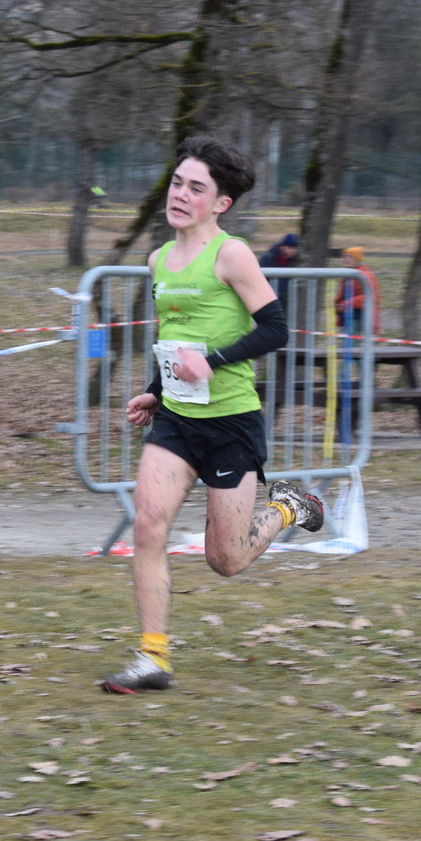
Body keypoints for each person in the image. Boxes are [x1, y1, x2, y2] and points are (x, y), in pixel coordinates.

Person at [103, 135, 323, 694]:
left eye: (195, 188)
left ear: (220, 203)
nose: (180, 194)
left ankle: (289, 506)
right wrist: (156, 390)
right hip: (177, 421)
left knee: (225, 559)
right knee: (148, 523)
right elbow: (175, 335)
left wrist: (215, 362)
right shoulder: (158, 259)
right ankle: (152, 658)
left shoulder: (232, 255)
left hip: (230, 423)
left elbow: (276, 329)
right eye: (177, 182)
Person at [335, 245, 379, 339]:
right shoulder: (346, 276)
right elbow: (342, 296)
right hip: (347, 317)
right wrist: (337, 305)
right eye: (344, 256)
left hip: (361, 319)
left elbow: (369, 297)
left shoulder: (366, 276)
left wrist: (346, 304)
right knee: (347, 344)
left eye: (349, 256)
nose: (345, 259)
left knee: (355, 345)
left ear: (357, 259)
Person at [258, 232, 298, 307]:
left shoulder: (293, 261)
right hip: (269, 299)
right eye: (289, 247)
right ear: (282, 246)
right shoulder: (268, 258)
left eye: (294, 248)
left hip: (285, 299)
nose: (292, 251)